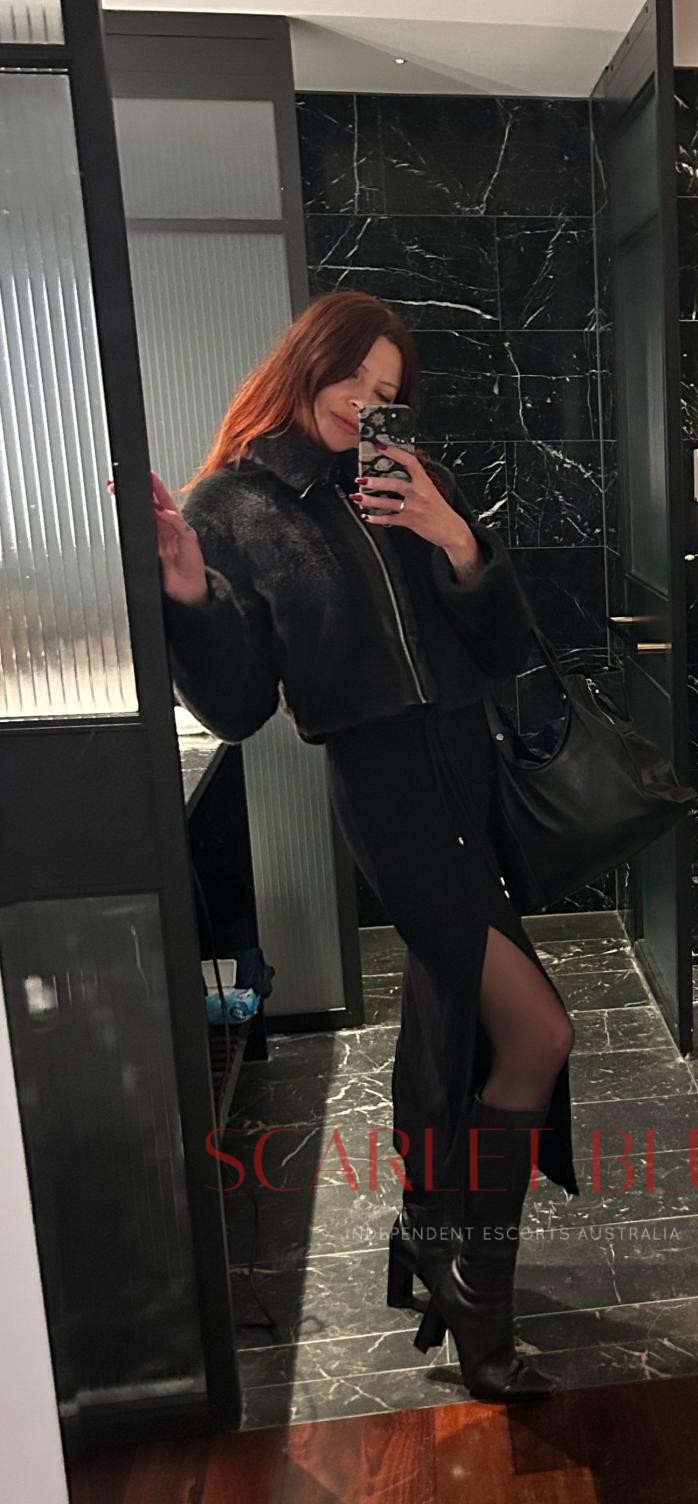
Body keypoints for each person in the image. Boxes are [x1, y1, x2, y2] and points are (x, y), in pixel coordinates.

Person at [144, 290, 579, 1402]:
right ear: (308, 362)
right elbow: (240, 704)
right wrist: (189, 594)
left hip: (466, 774)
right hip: (387, 794)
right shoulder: (235, 506)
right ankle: (473, 1281)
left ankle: (439, 1240)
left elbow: (502, 647)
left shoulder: (404, 481)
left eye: (387, 393)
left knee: (451, 1026)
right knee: (536, 1028)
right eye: (353, 379)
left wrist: (454, 536)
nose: (366, 405)